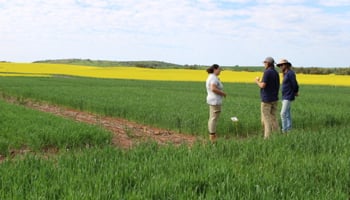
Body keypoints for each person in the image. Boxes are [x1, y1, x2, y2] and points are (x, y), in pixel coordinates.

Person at [255, 57, 280, 139]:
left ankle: (267, 137)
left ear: (268, 63)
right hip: (275, 99)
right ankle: (277, 135)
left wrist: (257, 81)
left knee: (266, 119)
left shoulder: (267, 72)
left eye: (265, 62)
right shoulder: (276, 73)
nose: (264, 64)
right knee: (273, 117)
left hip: (267, 100)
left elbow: (263, 85)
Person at [277, 59, 299, 133]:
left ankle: (284, 130)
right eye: (280, 65)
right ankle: (289, 130)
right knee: (287, 114)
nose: (281, 66)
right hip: (285, 96)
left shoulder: (290, 73)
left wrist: (295, 91)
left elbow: (294, 83)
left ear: (286, 65)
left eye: (282, 65)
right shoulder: (285, 74)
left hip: (288, 96)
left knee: (282, 113)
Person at [206, 64, 226, 142]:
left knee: (212, 118)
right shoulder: (213, 78)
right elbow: (213, 88)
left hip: (212, 100)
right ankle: (212, 136)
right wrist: (222, 93)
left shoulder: (211, 77)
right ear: (215, 69)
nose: (220, 71)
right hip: (215, 101)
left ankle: (212, 134)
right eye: (219, 69)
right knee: (214, 118)